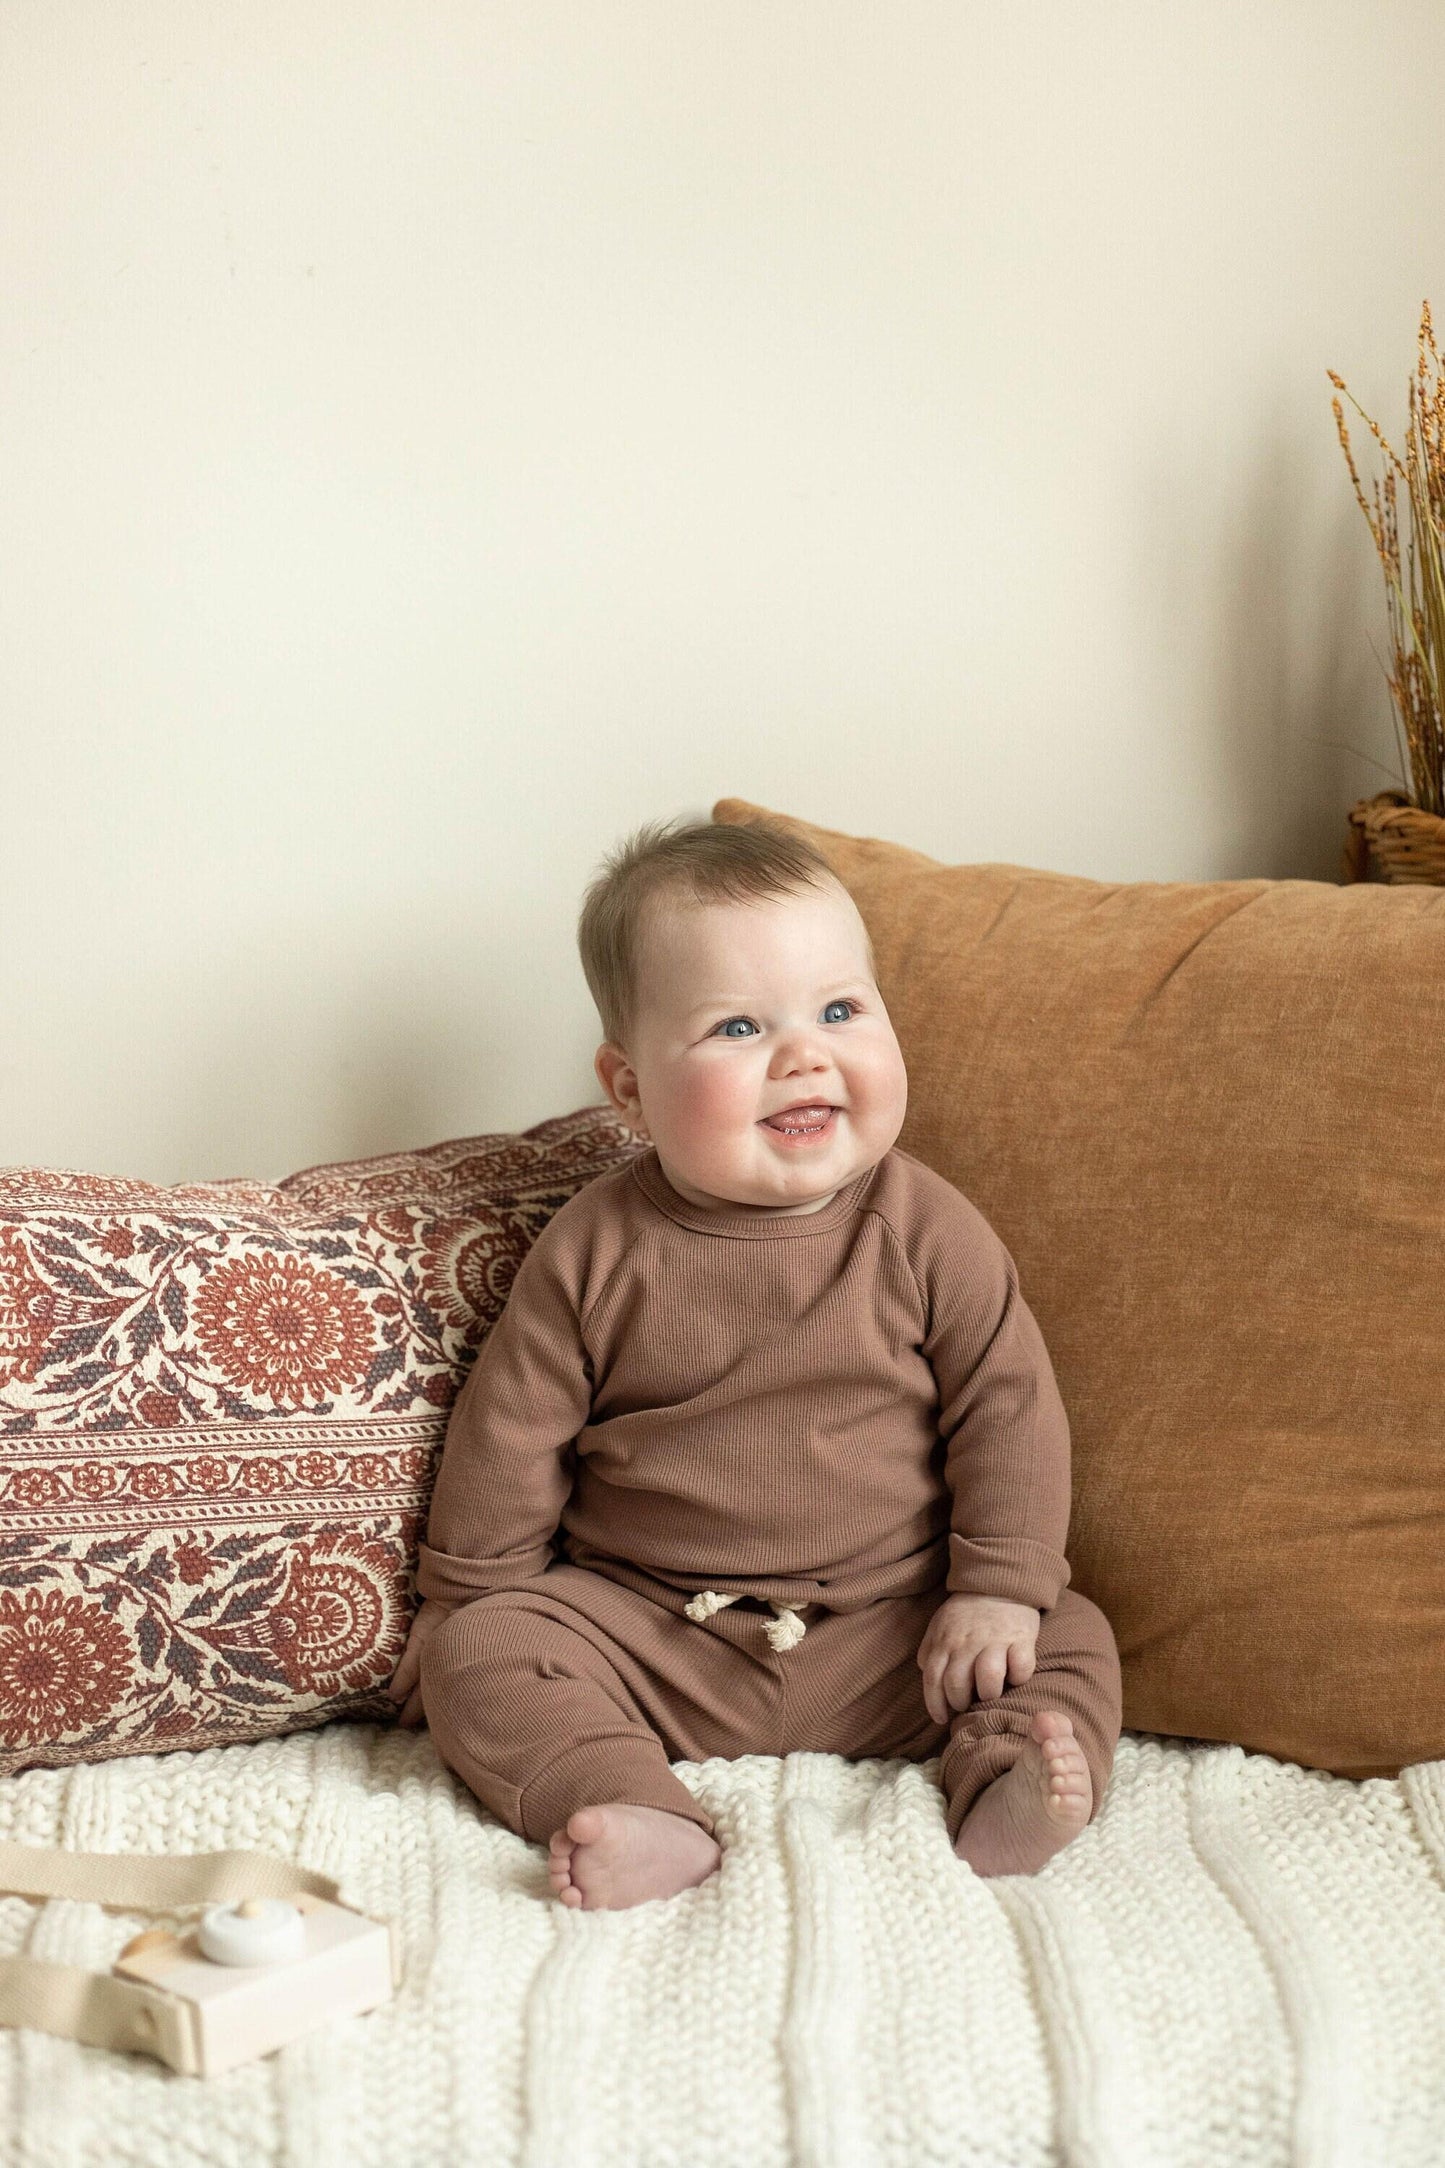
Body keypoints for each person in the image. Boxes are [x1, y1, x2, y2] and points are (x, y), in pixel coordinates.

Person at [387, 814, 1121, 1910]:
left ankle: (1003, 1778)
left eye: (840, 1010)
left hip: (895, 1635)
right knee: (482, 1652)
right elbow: (509, 1438)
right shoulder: (594, 1249)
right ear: (628, 1088)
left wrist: (996, 1591)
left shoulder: (927, 1228)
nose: (803, 1055)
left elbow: (1007, 1410)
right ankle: (632, 1803)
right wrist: (465, 1601)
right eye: (737, 1026)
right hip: (655, 1636)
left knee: (1066, 1631)